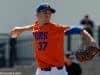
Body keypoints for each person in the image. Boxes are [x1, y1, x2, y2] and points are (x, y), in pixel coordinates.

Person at [10, 3, 97, 75]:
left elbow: (78, 29)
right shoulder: (36, 27)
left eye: (49, 12)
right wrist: (20, 29)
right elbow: (31, 27)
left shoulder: (56, 28)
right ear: (37, 14)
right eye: (45, 12)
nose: (48, 14)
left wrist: (91, 39)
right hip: (40, 71)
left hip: (56, 71)